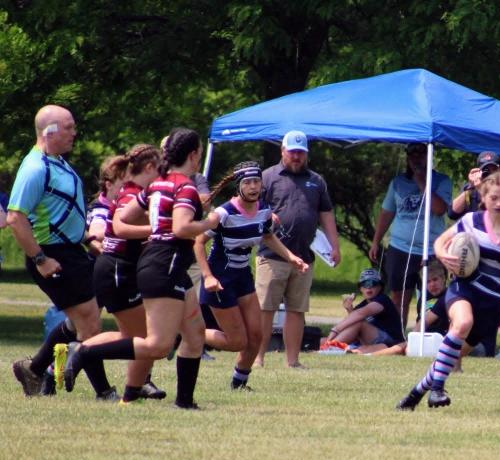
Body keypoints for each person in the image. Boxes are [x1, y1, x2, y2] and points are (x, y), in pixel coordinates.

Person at [64, 127, 220, 409]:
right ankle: (85, 351)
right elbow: (183, 227)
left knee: (195, 331)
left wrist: (159, 226)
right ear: (194, 155)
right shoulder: (184, 187)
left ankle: (184, 402)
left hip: (162, 261)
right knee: (158, 344)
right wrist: (210, 222)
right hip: (164, 262)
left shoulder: (156, 185)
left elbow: (121, 220)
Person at [396, 171, 500, 411]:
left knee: (450, 357)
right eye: (494, 198)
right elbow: (441, 241)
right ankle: (438, 390)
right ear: (483, 197)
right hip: (465, 288)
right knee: (462, 324)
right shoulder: (471, 221)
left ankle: (414, 395)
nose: (499, 203)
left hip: (493, 302)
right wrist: (441, 254)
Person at [7, 105, 115, 400]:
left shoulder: (59, 163)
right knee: (90, 323)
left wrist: (85, 237)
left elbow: (59, 213)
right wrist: (40, 259)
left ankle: (34, 368)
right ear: (49, 131)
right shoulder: (35, 168)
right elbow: (15, 218)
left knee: (82, 320)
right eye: (68, 127)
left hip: (71, 251)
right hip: (52, 255)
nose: (74, 132)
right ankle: (104, 392)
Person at [195, 161, 309, 390]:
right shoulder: (223, 214)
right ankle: (188, 333)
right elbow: (197, 242)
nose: (253, 186)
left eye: (257, 181)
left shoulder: (264, 211)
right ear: (238, 186)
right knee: (238, 341)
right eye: (247, 182)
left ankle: (239, 383)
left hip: (242, 277)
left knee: (256, 337)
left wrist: (290, 257)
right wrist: (207, 276)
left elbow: (267, 237)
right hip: (220, 280)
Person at [86, 144, 167, 401]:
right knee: (147, 339)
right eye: (161, 167)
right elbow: (120, 228)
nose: (164, 173)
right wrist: (159, 230)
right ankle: (79, 353)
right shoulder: (131, 193)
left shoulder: (138, 191)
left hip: (121, 270)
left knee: (132, 337)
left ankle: (135, 388)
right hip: (116, 270)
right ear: (150, 167)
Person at [256, 129, 340, 368]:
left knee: (297, 310)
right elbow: (253, 208)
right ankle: (257, 358)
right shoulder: (268, 177)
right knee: (266, 309)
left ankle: (292, 361)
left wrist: (335, 246)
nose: (296, 157)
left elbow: (326, 214)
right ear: (282, 151)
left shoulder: (317, 180)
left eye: (301, 153)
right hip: (272, 255)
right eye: (292, 151)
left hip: (304, 257)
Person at [369, 142, 452, 328]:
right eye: (412, 154)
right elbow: (387, 212)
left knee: (432, 295)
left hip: (431, 250)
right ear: (407, 157)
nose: (416, 158)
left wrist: (421, 181)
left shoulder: (442, 181)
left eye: (421, 153)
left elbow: (439, 209)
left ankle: (428, 334)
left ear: (429, 156)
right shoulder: (397, 182)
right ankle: (399, 336)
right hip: (401, 248)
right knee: (399, 296)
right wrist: (376, 241)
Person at [326, 268, 405, 354]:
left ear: (380, 287)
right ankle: (329, 347)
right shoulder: (363, 304)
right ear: (360, 288)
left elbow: (361, 314)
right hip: (374, 342)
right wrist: (349, 309)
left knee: (359, 322)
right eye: (365, 284)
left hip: (391, 343)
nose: (369, 287)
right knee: (324, 340)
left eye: (373, 283)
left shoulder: (383, 300)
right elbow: (353, 326)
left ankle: (330, 348)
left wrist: (335, 330)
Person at [449, 151, 500, 219]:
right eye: (486, 170)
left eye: (494, 169)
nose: (490, 173)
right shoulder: (471, 188)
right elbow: (452, 213)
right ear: (479, 171)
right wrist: (471, 187)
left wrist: (480, 189)